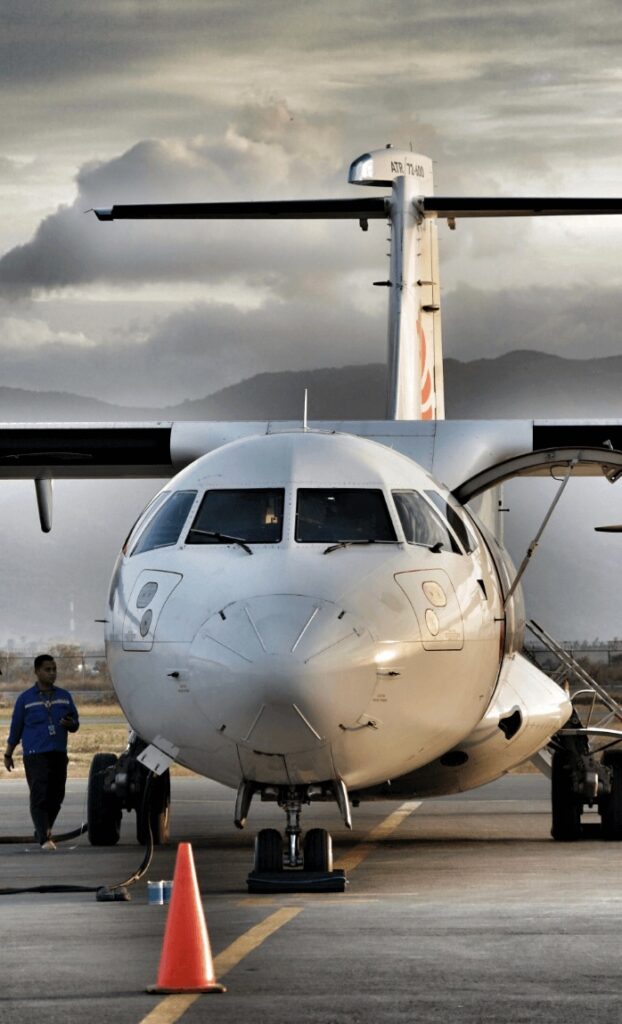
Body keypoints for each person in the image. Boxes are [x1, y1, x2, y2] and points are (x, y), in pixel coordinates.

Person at [3, 654, 79, 850]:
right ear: (37, 672)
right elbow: (16, 728)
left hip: (58, 753)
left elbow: (75, 723)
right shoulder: (25, 699)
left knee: (56, 795)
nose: (52, 673)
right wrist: (8, 754)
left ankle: (42, 828)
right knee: (39, 794)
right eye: (47, 669)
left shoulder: (64, 696)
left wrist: (71, 724)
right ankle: (45, 838)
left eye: (54, 669)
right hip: (35, 754)